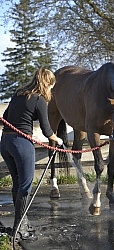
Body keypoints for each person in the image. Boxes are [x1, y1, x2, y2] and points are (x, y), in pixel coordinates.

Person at [1, 67, 63, 241]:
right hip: (21, 145)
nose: (51, 91)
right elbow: (47, 130)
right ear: (47, 84)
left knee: (17, 183)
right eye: (51, 87)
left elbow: (6, 116)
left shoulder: (19, 93)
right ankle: (19, 229)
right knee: (26, 186)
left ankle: (22, 222)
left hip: (5, 143)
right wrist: (57, 140)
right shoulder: (39, 100)